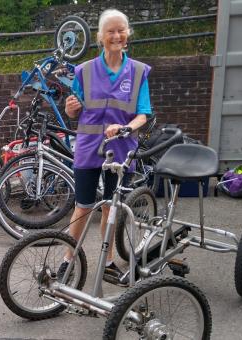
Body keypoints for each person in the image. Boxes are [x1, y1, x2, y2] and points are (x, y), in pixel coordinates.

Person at [58, 9, 153, 285]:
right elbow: (75, 112)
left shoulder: (138, 72)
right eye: (110, 31)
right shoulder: (84, 71)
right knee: (83, 206)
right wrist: (70, 108)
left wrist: (126, 128)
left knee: (111, 209)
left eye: (121, 30)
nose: (116, 35)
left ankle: (108, 261)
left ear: (127, 35)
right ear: (100, 37)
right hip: (88, 148)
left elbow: (143, 114)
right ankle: (67, 259)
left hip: (121, 151)